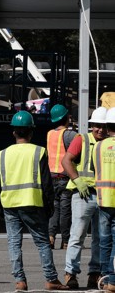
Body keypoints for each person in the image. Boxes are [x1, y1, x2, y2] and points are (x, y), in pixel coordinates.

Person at [0, 110, 69, 291]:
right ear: (31, 132)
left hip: (10, 204)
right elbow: (46, 183)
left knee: (13, 243)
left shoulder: (2, 154)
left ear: (14, 132)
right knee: (42, 242)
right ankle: (51, 279)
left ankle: (20, 281)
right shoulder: (38, 152)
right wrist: (49, 205)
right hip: (32, 203)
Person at [61, 106, 107, 289]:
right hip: (83, 194)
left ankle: (94, 274)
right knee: (77, 235)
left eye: (103, 126)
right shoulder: (82, 139)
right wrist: (77, 180)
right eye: (97, 126)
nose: (100, 130)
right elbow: (66, 160)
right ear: (91, 125)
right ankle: (70, 273)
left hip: (104, 196)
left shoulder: (109, 143)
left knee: (100, 237)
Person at [47, 104, 76, 250]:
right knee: (65, 211)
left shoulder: (50, 134)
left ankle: (51, 236)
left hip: (52, 177)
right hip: (65, 178)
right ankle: (65, 241)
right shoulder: (70, 135)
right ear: (66, 118)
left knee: (55, 209)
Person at [96, 108, 115, 291]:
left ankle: (104, 276)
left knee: (104, 241)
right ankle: (113, 280)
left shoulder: (99, 146)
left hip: (103, 198)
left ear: (107, 126)